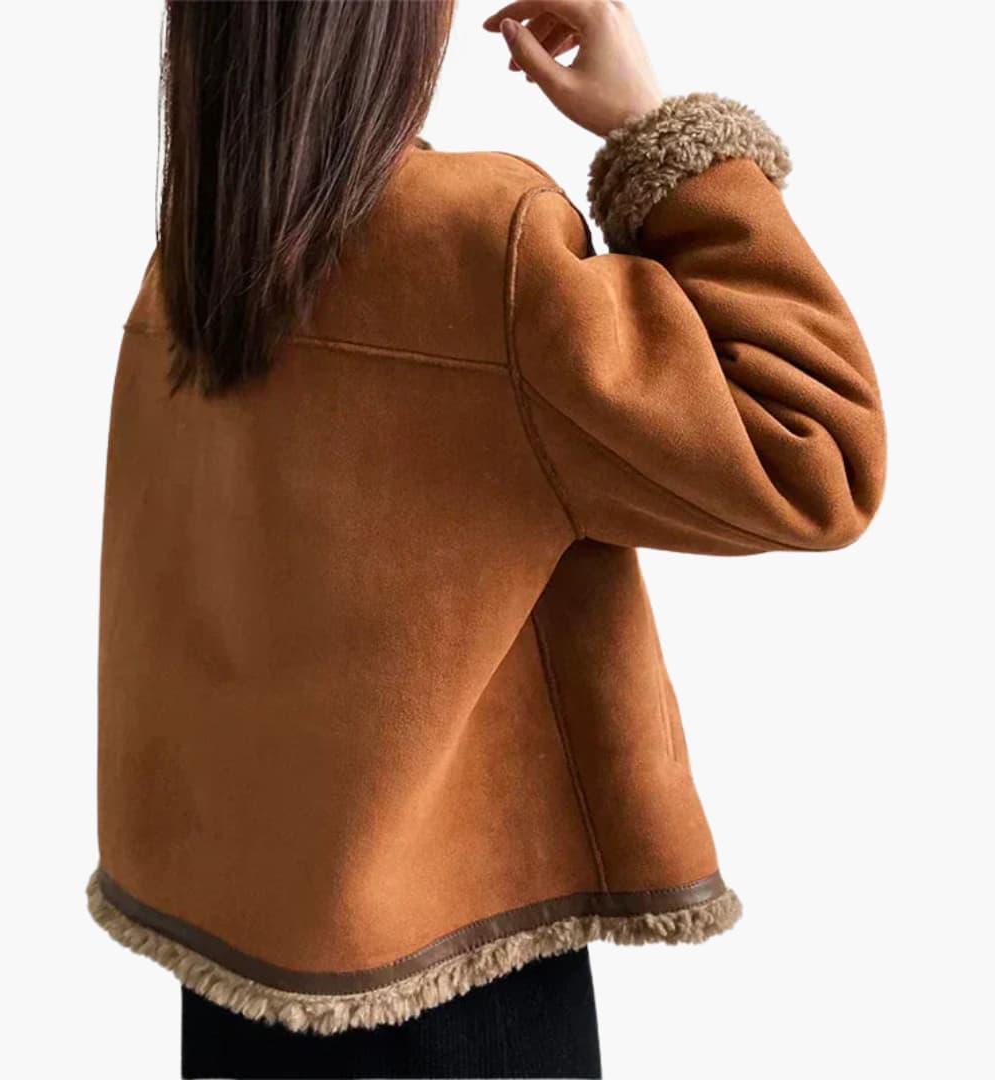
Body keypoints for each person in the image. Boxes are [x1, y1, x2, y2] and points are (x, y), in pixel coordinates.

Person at [87, 1, 886, 1077]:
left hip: (238, 967)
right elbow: (817, 455)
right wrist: (657, 133)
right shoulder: (482, 244)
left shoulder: (192, 266)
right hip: (459, 982)